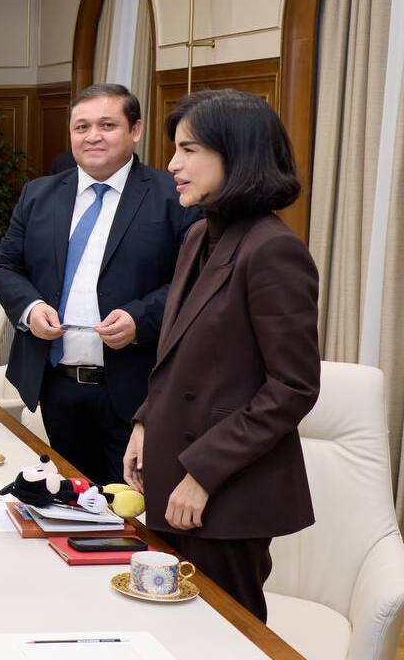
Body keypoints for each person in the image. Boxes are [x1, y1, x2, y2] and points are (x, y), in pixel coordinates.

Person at [123, 89, 319, 622]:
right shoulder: (198, 237)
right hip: (175, 476)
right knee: (171, 633)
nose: (172, 164)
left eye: (188, 150)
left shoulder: (273, 249)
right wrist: (145, 422)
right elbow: (185, 356)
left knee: (224, 644)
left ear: (237, 156)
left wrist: (204, 474)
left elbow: (293, 388)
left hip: (227, 495)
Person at [0, 83, 199, 485]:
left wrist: (140, 319)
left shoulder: (173, 197)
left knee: (130, 509)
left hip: (138, 392)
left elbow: (192, 283)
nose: (92, 136)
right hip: (58, 387)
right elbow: (4, 268)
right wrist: (31, 309)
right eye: (81, 127)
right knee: (71, 502)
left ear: (135, 130)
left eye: (107, 125)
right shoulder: (39, 194)